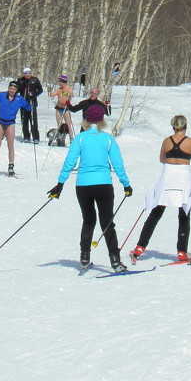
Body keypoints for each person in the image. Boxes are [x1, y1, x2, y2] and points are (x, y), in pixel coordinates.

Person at [47, 104, 133, 272]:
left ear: (86, 120)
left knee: (88, 221)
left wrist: (60, 184)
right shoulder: (107, 139)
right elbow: (118, 164)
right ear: (102, 121)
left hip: (83, 186)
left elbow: (70, 162)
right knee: (107, 222)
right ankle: (115, 261)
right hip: (103, 185)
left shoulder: (80, 138)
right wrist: (126, 184)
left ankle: (84, 258)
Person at [129, 115, 191, 264]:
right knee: (184, 213)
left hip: (167, 176)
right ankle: (182, 252)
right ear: (185, 126)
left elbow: (162, 159)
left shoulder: (166, 141)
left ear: (173, 126)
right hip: (183, 177)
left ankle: (139, 248)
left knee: (156, 213)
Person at [0, 81, 30, 175]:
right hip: (0, 122)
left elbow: (28, 108)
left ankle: (11, 166)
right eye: (11, 88)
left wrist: (31, 101)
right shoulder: (2, 96)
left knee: (10, 145)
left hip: (10, 123)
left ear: (16, 90)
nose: (12, 91)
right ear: (8, 88)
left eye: (14, 89)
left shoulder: (19, 99)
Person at [16, 67, 43, 143]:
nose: (27, 77)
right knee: (24, 119)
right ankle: (26, 136)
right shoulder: (21, 80)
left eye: (29, 75)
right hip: (23, 102)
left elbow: (40, 90)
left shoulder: (35, 80)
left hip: (32, 102)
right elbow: (17, 90)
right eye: (26, 75)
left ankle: (35, 137)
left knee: (33, 120)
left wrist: (34, 94)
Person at [48, 75, 75, 144]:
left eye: (60, 82)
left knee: (68, 124)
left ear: (63, 82)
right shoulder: (59, 90)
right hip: (58, 108)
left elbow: (72, 95)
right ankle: (60, 138)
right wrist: (49, 91)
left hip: (65, 109)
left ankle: (71, 138)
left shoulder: (68, 89)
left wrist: (68, 96)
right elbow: (51, 95)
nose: (59, 83)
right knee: (59, 124)